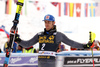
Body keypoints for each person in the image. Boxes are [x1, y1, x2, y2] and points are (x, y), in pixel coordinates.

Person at [14, 14, 93, 67]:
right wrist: (18, 40)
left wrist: (85, 46)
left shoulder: (58, 35)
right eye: (45, 22)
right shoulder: (40, 34)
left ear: (53, 23)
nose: (47, 24)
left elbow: (71, 43)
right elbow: (27, 44)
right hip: (41, 63)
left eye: (49, 22)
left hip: (52, 63)